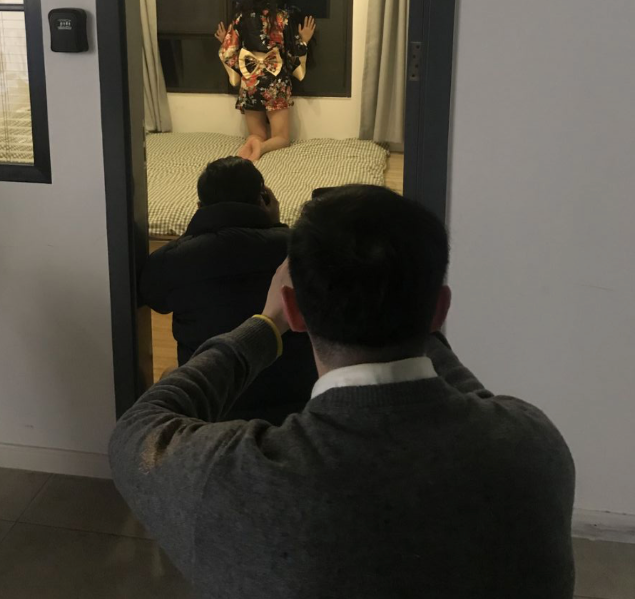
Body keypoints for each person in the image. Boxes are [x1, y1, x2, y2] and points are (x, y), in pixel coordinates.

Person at [111, 186, 575, 599]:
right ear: (440, 310)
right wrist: (408, 312)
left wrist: (265, 325)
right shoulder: (535, 446)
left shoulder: (233, 479)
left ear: (295, 310)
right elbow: (477, 400)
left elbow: (137, 428)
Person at [138, 156, 317, 423]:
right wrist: (276, 225)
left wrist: (193, 235)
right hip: (296, 407)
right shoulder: (301, 249)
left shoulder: (170, 260)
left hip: (211, 406)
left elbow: (155, 299)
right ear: (263, 199)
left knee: (169, 375)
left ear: (200, 207)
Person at [215, 0, 316, 161]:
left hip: (250, 82)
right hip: (275, 82)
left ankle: (253, 145)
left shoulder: (241, 18)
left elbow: (229, 52)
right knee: (282, 138)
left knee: (256, 134)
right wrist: (303, 41)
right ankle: (260, 148)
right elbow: (291, 54)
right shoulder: (282, 18)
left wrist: (224, 42)